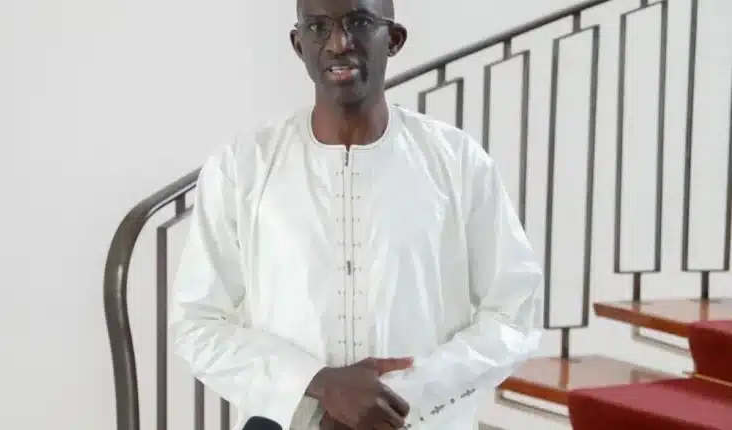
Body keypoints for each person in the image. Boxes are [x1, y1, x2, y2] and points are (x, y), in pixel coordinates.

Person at [169, 0, 543, 429]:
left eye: (359, 23)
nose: (339, 43)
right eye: (318, 28)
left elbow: (512, 313)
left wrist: (404, 394)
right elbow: (197, 322)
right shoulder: (242, 167)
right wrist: (316, 385)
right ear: (298, 44)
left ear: (394, 39)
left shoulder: (457, 163)